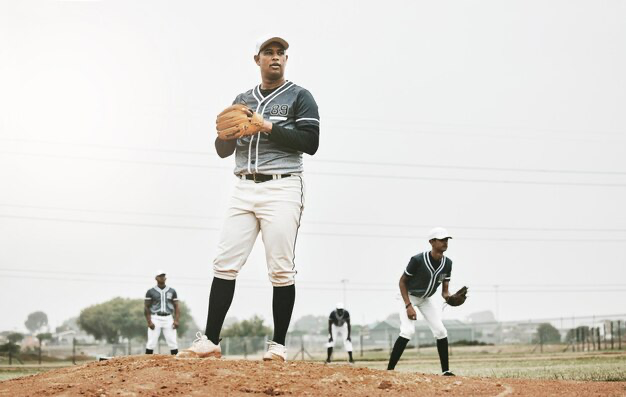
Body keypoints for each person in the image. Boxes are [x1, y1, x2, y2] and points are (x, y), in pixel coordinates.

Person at [178, 35, 320, 361]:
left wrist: (266, 126)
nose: (275, 57)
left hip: (282, 186)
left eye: (280, 53)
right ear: (256, 59)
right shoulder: (243, 99)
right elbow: (223, 151)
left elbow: (310, 142)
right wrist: (227, 133)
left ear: (286, 59)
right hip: (243, 186)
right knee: (224, 263)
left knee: (281, 269)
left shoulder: (300, 96)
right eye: (268, 53)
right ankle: (210, 341)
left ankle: (278, 347)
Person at [387, 227, 456, 376]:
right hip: (408, 296)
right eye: (441, 239)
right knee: (408, 331)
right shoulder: (417, 260)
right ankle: (389, 370)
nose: (445, 242)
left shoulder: (448, 263)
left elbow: (444, 291)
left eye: (446, 239)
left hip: (425, 299)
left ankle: (445, 371)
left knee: (441, 331)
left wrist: (450, 298)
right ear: (432, 242)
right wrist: (408, 305)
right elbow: (402, 282)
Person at [144, 270, 179, 355]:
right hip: (156, 318)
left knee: (172, 342)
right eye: (160, 276)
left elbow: (176, 306)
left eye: (163, 276)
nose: (162, 278)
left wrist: (176, 320)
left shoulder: (172, 291)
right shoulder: (150, 291)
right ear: (156, 278)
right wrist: (149, 322)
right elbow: (146, 307)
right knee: (151, 342)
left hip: (168, 318)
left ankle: (176, 362)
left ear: (165, 278)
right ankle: (147, 362)